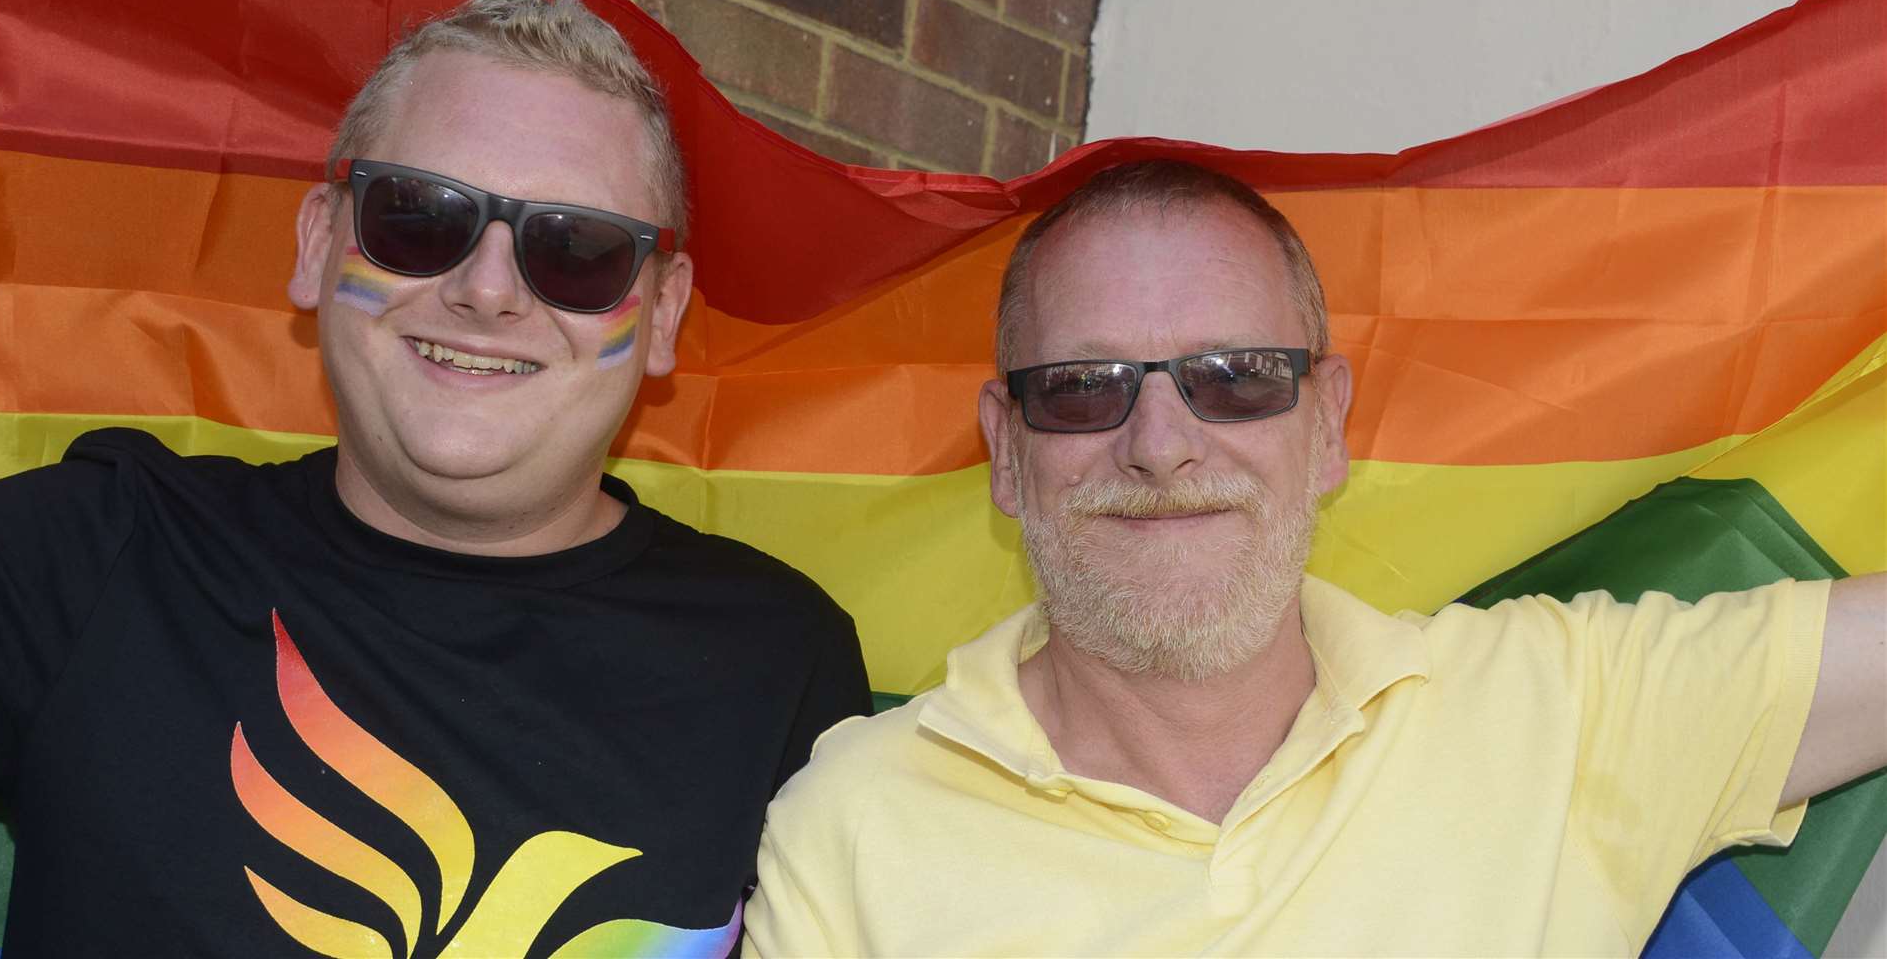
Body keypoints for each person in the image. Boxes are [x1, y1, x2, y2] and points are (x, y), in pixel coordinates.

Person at [742, 159, 1885, 956]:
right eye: (1082, 389)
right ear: (1004, 450)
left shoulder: (1563, 710)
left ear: (1327, 424)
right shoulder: (854, 821)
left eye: (1234, 377)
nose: (1158, 446)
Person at [0, 0, 870, 956]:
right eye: (419, 217)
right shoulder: (89, 555)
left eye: (576, 250)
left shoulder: (780, 662)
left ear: (662, 315)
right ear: (319, 242)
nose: (486, 290)